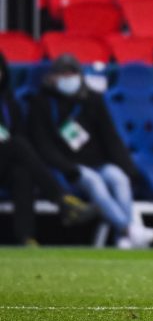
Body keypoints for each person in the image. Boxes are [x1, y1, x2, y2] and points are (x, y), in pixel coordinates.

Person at [28, 55, 153, 249]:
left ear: (80, 76)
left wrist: (128, 168)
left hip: (98, 162)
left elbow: (110, 137)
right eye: (62, 74)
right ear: (52, 77)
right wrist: (68, 168)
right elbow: (43, 145)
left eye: (71, 74)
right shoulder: (41, 103)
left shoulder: (92, 100)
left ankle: (124, 237)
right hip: (68, 167)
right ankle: (128, 229)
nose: (67, 79)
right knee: (94, 182)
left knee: (119, 178)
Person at [0, 53, 96, 245]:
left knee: (23, 171)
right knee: (18, 145)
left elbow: (18, 132)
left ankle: (26, 238)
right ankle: (61, 199)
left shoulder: (8, 103)